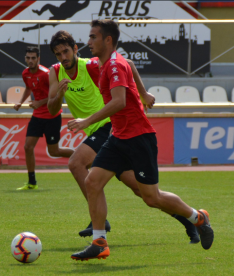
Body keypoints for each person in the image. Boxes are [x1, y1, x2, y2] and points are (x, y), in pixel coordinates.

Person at [68, 20, 214, 261]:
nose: (88, 41)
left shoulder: (114, 65)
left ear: (107, 40)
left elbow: (119, 101)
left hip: (138, 138)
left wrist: (86, 121)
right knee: (92, 182)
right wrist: (144, 92)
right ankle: (99, 242)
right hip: (118, 136)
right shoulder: (102, 63)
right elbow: (132, 64)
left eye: (93, 37)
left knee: (151, 197)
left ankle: (197, 217)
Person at [14, 47, 74, 190]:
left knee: (54, 152)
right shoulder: (25, 73)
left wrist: (39, 102)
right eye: (28, 58)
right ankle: (32, 182)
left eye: (33, 58)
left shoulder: (47, 74)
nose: (30, 60)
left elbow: (57, 94)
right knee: (28, 147)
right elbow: (28, 88)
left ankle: (83, 156)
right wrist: (20, 102)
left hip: (52, 115)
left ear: (38, 59)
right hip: (37, 116)